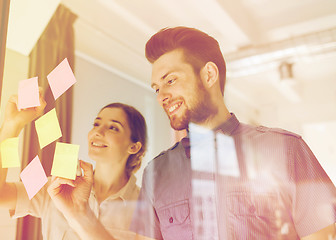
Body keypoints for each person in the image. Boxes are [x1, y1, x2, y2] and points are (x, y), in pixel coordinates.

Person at [129, 26, 336, 239]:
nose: (161, 96)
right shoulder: (155, 174)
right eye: (156, 88)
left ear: (209, 75)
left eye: (170, 80)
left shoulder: (287, 150)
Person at [0, 94, 148, 240]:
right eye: (96, 124)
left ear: (134, 147)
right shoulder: (56, 187)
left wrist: (79, 213)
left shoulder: (148, 210)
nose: (97, 132)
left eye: (113, 127)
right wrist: (12, 125)